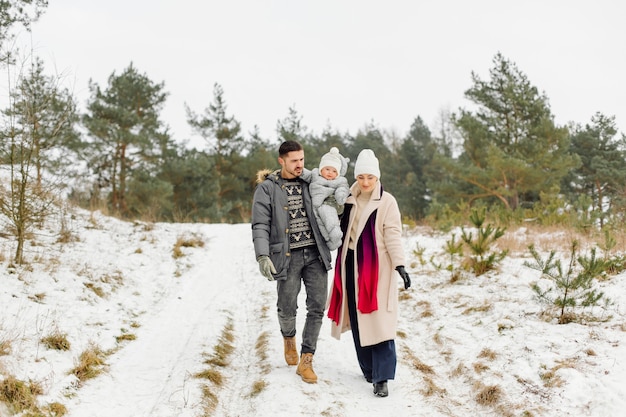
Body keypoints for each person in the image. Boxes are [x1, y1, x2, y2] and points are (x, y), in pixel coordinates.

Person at [327, 148, 411, 398]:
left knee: (378, 321)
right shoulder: (348, 199)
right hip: (350, 264)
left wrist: (400, 265)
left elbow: (393, 235)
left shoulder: (387, 202)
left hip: (377, 269)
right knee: (356, 316)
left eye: (370, 178)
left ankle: (382, 377)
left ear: (377, 177)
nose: (365, 182)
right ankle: (368, 368)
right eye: (361, 177)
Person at [251, 140, 332, 384]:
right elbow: (260, 225)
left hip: (315, 254)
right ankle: (289, 338)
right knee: (287, 306)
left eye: (302, 160)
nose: (299, 165)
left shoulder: (311, 183)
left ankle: (307, 358)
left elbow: (331, 204)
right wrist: (262, 255)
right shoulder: (267, 189)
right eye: (294, 160)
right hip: (287, 256)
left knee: (317, 307)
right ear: (281, 161)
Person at [307, 146, 350, 251]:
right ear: (321, 168)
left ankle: (335, 237)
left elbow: (343, 189)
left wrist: (340, 196)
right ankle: (329, 241)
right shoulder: (314, 175)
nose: (330, 173)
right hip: (314, 206)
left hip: (328, 204)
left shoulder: (340, 181)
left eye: (334, 171)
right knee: (320, 226)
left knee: (330, 220)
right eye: (327, 169)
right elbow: (303, 174)